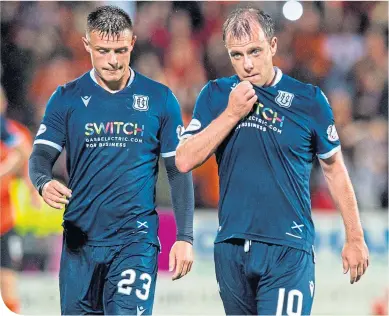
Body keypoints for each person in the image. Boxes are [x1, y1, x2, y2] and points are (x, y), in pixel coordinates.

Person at [175, 7, 369, 316]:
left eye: (255, 51)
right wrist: (231, 114)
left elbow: (334, 169)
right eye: (237, 55)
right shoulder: (215, 95)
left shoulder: (309, 100)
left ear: (273, 46)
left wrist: (355, 237)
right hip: (231, 246)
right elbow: (184, 160)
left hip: (288, 247)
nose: (247, 63)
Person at [29, 6, 194, 315]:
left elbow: (178, 169)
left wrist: (184, 237)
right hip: (81, 243)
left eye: (120, 50)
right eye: (103, 51)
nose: (113, 60)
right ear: (87, 45)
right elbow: (40, 156)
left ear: (132, 43)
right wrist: (43, 181)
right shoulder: (66, 98)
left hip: (136, 241)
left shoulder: (159, 98)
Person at [0, 86, 28, 314]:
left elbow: (23, 152)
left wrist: (4, 170)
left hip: (3, 222)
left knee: (7, 282)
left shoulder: (7, 130)